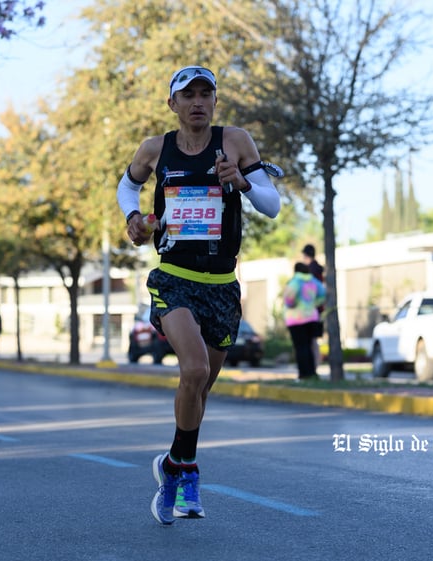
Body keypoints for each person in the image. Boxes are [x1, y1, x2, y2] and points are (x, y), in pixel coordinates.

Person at [117, 64, 281, 525]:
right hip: (173, 277)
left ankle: (174, 462)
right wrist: (133, 217)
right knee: (194, 368)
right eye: (187, 95)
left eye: (205, 94)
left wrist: (242, 181)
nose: (197, 102)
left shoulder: (236, 142)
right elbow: (127, 184)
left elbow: (272, 205)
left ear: (214, 101)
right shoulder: (155, 149)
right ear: (172, 104)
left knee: (200, 389)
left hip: (222, 285)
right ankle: (185, 472)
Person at [283, 262, 326, 380]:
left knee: (300, 348)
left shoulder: (295, 282)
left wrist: (291, 305)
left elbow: (289, 298)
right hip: (312, 317)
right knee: (309, 346)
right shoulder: (314, 281)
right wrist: (314, 304)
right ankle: (312, 373)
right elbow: (323, 294)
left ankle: (303, 374)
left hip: (296, 319)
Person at [301, 244, 325, 366]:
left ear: (306, 255)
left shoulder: (310, 271)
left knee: (310, 339)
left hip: (311, 309)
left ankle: (314, 364)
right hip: (319, 309)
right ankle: (316, 363)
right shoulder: (319, 269)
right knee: (313, 338)